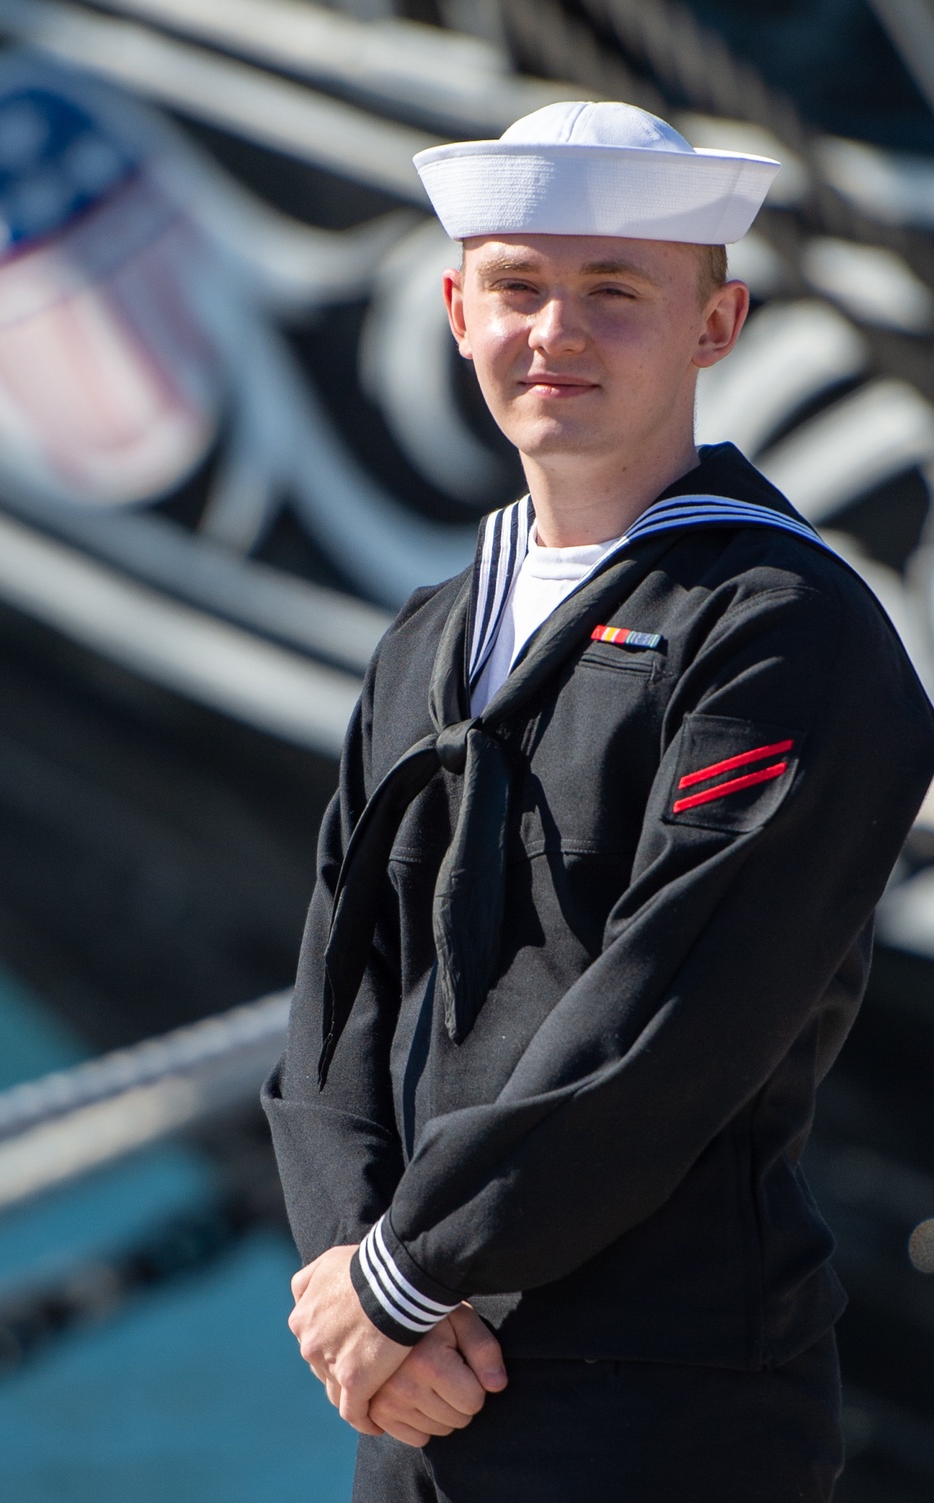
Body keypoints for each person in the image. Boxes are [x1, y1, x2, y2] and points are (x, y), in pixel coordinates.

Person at [263, 101, 934, 1501]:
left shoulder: (781, 631)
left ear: (718, 324)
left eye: (615, 292)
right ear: (455, 310)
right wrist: (349, 1274)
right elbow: (338, 996)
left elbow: (682, 1011)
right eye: (517, 287)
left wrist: (400, 1275)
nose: (555, 332)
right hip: (415, 1401)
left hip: (661, 1406)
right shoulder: (427, 640)